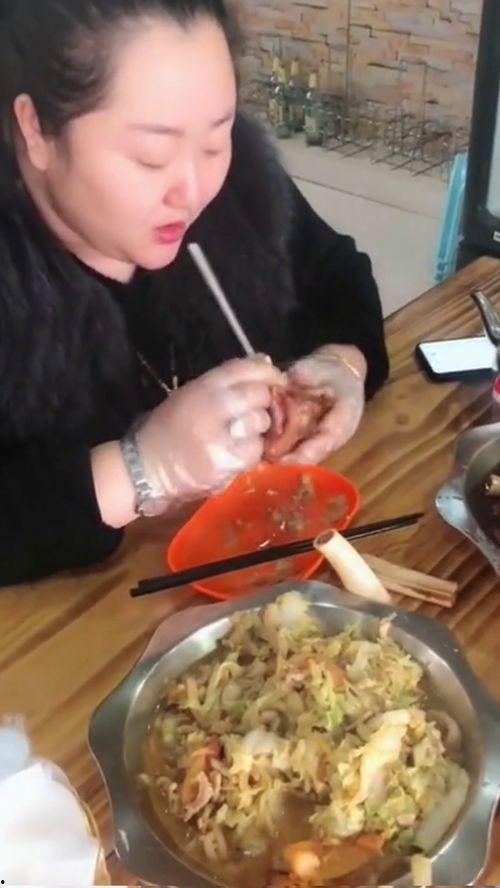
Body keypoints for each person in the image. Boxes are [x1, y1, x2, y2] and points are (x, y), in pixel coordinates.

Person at [0, 0, 389, 586]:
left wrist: (342, 365)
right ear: (36, 129)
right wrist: (140, 468)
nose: (193, 190)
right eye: (151, 156)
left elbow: (335, 273)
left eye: (215, 141)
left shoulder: (238, 187)